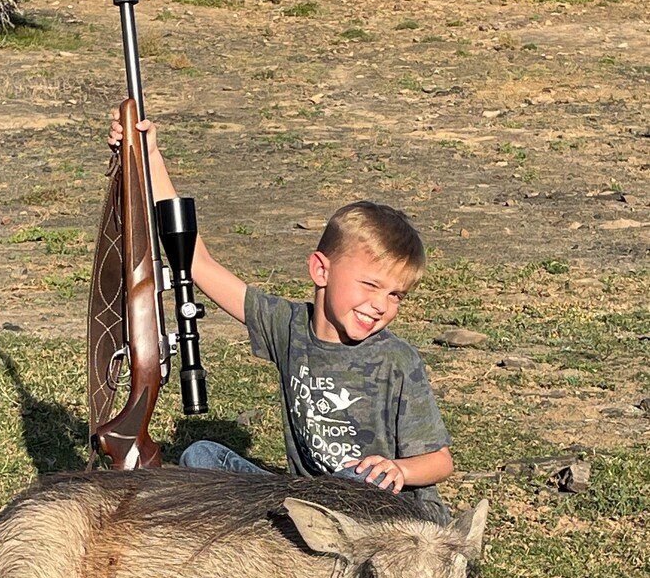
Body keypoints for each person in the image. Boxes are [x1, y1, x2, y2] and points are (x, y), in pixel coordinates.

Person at [108, 112, 453, 521]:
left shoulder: (398, 361)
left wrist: (400, 469)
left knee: (354, 480)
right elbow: (199, 264)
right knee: (201, 456)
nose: (382, 305)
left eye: (396, 295)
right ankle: (291, 523)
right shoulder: (286, 326)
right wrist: (150, 157)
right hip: (309, 498)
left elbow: (441, 462)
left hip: (389, 512)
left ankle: (291, 524)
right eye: (371, 285)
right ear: (320, 270)